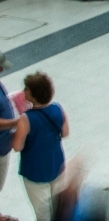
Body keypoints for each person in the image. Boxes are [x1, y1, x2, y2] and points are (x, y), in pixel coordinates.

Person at [12, 71, 68, 221]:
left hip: (35, 171)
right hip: (56, 165)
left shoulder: (26, 118)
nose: (24, 91)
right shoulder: (58, 108)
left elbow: (17, 146)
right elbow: (65, 132)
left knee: (43, 214)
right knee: (60, 210)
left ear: (34, 93)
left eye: (26, 88)